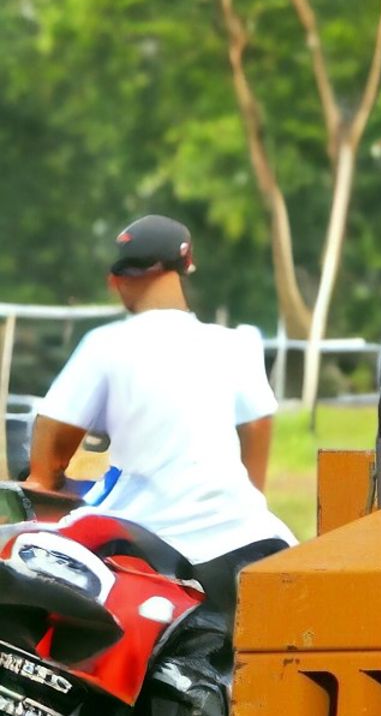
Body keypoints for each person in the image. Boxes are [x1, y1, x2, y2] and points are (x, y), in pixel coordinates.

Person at [28, 214, 294, 625]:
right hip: (246, 538)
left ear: (118, 280)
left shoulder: (105, 345)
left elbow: (51, 447)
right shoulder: (236, 345)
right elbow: (257, 428)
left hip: (145, 539)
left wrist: (44, 481)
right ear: (186, 267)